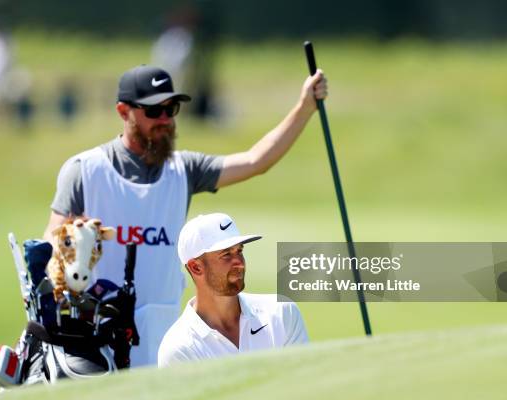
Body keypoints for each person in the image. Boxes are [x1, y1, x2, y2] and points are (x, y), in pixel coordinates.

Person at [43, 64, 326, 367]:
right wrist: (67, 251)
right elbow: (51, 247)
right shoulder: (84, 170)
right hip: (101, 341)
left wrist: (305, 107)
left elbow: (255, 161)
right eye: (154, 111)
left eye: (172, 108)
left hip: (167, 337)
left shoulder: (183, 169)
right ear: (124, 111)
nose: (165, 119)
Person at [158, 213, 308, 367]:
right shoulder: (179, 348)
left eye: (239, 251)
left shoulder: (282, 313)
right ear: (196, 267)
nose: (240, 263)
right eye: (226, 254)